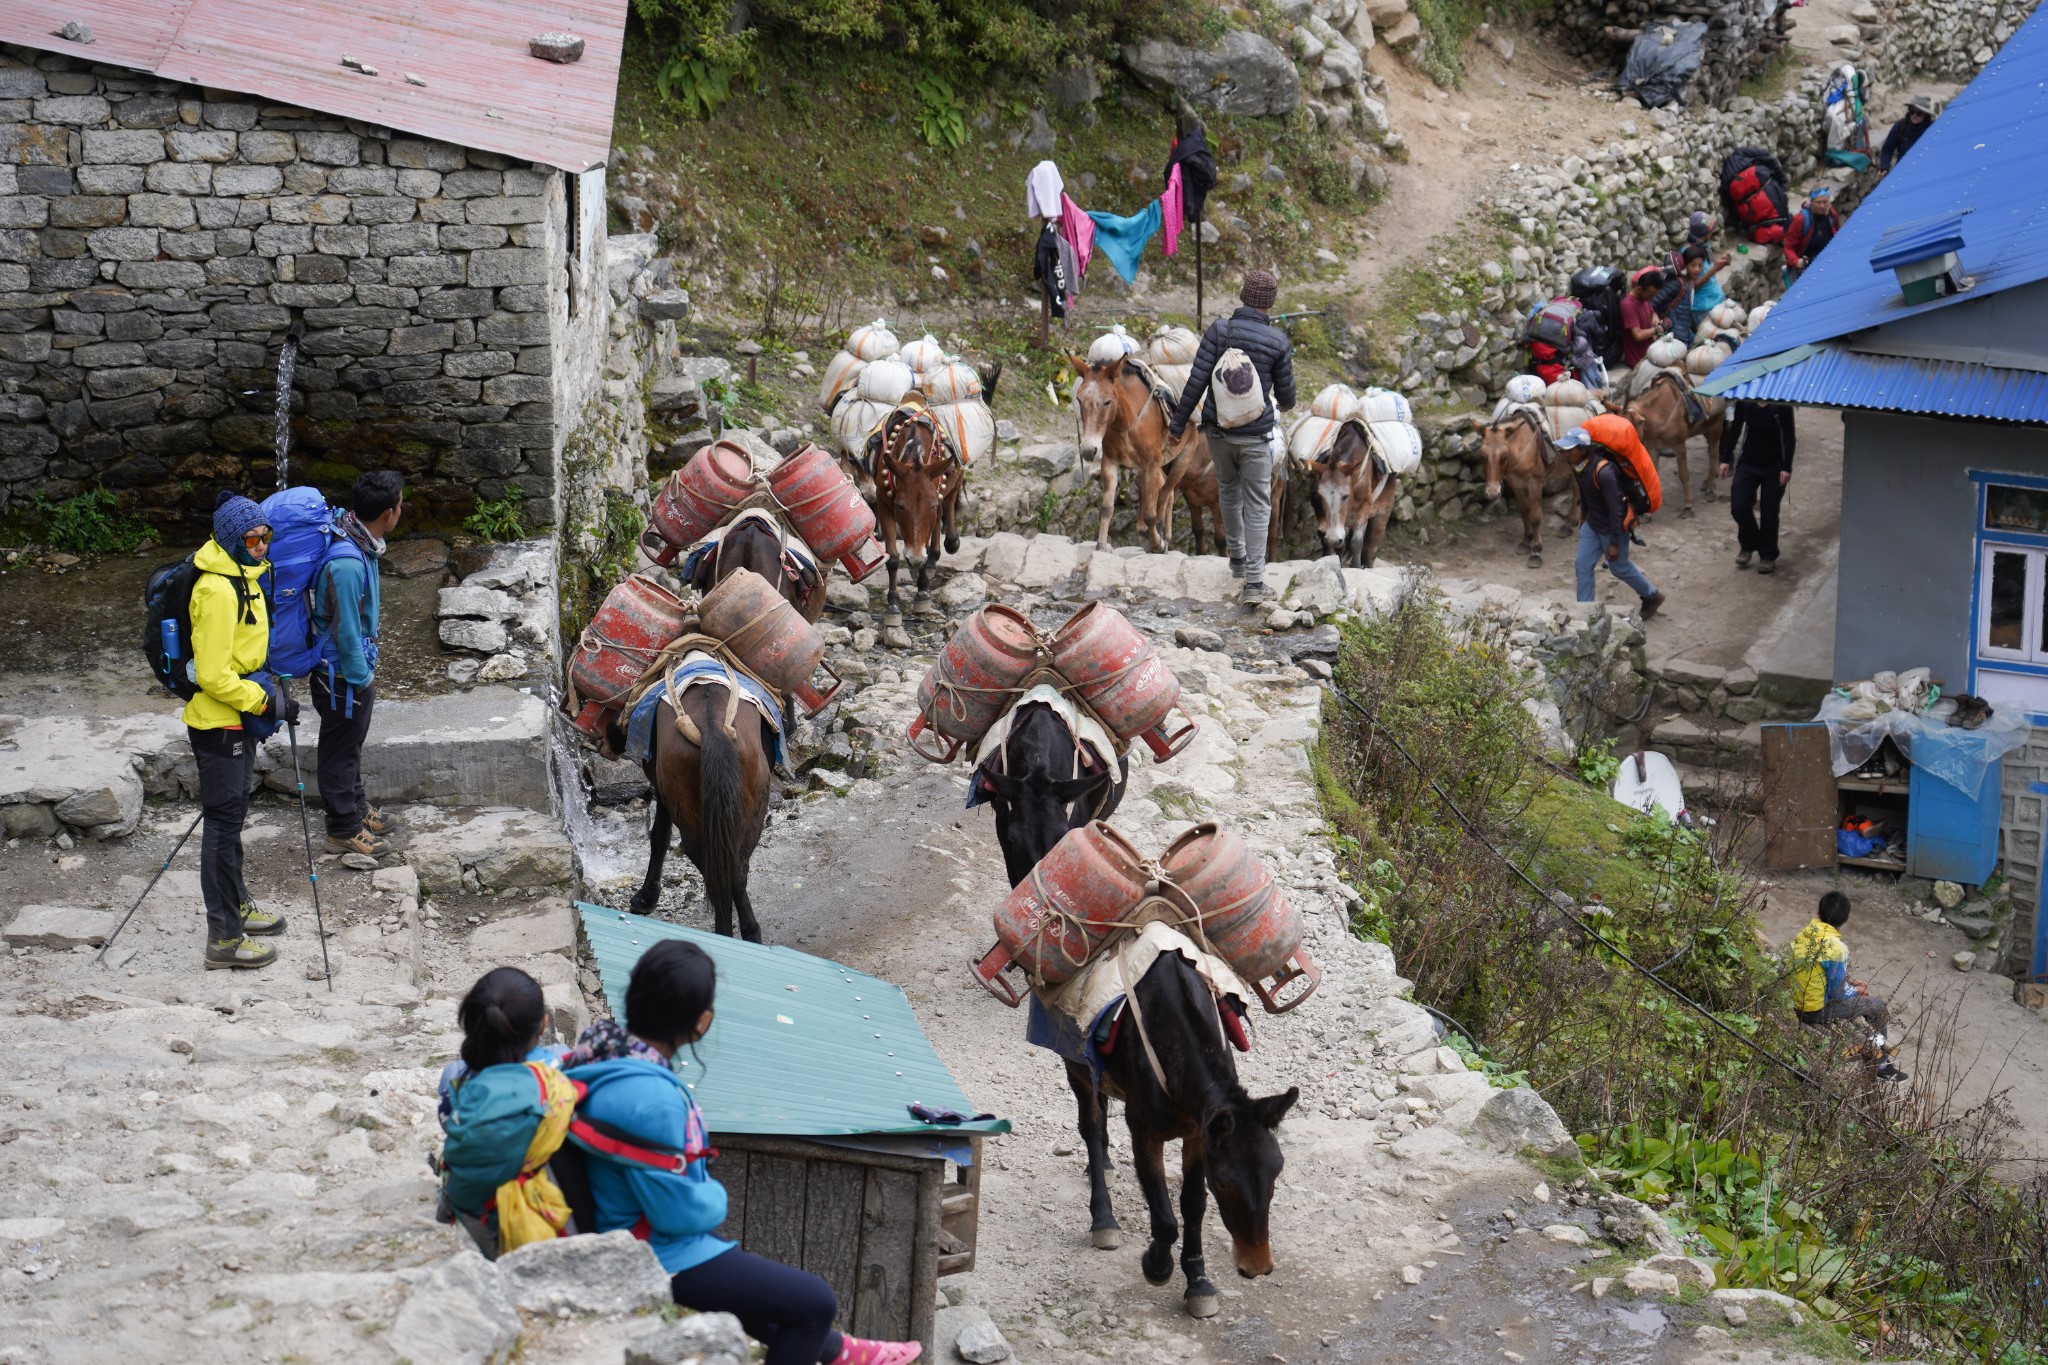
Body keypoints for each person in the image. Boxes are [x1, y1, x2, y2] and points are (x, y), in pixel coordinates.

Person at [569, 939, 923, 1365]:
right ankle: (832, 1345)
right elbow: (676, 1214)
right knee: (815, 1303)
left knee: (767, 1298)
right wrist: (716, 1197)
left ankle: (836, 1350)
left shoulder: (598, 1052)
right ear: (702, 1021)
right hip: (649, 1249)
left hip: (626, 1224)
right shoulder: (651, 1098)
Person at [187, 491, 296, 970]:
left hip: (239, 720)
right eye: (253, 539)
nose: (261, 546)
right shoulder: (215, 591)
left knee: (231, 822)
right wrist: (266, 700)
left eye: (266, 537)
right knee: (222, 827)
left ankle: (240, 906)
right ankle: (224, 940)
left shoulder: (245, 576)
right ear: (233, 539)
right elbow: (211, 674)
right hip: (220, 724)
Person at [1168, 268, 1297, 607]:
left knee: (1228, 491)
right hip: (1256, 436)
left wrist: (1177, 426)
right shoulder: (1278, 342)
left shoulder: (1219, 331)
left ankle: (1237, 559)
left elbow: (1195, 382)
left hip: (1218, 432)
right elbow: (1288, 396)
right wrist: (1281, 398)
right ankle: (1254, 582)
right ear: (1270, 302)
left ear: (1242, 296)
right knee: (1258, 502)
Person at [314, 470, 404, 858]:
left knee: (350, 743)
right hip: (340, 673)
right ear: (388, 513)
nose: (401, 511)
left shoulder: (358, 538)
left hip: (345, 669)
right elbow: (347, 631)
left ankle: (356, 806)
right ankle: (342, 829)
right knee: (339, 747)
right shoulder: (348, 563)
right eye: (400, 505)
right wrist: (361, 677)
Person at [1790, 891, 1906, 1082]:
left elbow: (1816, 972)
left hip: (1796, 1000)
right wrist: (1856, 990)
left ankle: (1878, 1058)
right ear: (1846, 919)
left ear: (1818, 912)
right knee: (1877, 1005)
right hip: (1814, 1011)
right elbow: (1837, 993)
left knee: (1861, 996)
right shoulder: (1837, 948)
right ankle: (1881, 1066)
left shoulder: (1803, 935)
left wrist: (1849, 981)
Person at [1558, 426, 1665, 620]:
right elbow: (1585, 495)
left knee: (1619, 568)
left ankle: (1652, 595)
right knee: (1582, 565)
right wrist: (1584, 520)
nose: (1566, 453)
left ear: (1583, 449)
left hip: (1613, 526)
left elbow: (1616, 509)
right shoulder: (1577, 466)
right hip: (1593, 523)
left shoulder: (1604, 472)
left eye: (1570, 449)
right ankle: (1585, 614)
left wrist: (1615, 542)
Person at [1718, 396, 1796, 572]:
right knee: (1738, 506)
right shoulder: (1746, 402)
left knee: (1769, 512)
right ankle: (1749, 544)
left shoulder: (1781, 406)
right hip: (1748, 463)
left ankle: (1768, 556)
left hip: (1774, 467)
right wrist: (1725, 459)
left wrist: (1786, 467)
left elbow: (1789, 437)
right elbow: (1736, 429)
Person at [1781, 187, 1843, 282]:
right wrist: (1796, 262)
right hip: (1805, 268)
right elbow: (1788, 247)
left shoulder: (1832, 215)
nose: (1822, 206)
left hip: (1827, 263)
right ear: (1812, 202)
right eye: (1818, 202)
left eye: (1825, 202)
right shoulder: (1800, 220)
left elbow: (1839, 236)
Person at [1877, 93, 1937, 175]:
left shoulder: (1932, 129)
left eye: (1919, 113)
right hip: (1901, 170)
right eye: (1912, 111)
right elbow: (1887, 149)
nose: (1914, 115)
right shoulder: (1900, 125)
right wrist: (1884, 167)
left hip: (1923, 171)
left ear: (1925, 116)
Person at [1619, 268, 1666, 370]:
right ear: (1640, 288)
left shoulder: (1644, 299)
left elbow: (1651, 312)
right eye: (1651, 295)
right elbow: (1638, 335)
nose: (1652, 298)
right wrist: (1657, 329)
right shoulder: (1628, 305)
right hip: (1639, 360)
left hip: (1650, 353)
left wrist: (1655, 317)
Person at [1683, 244, 1733, 330]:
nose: (1697, 269)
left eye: (1700, 266)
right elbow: (1693, 286)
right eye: (1693, 265)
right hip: (1702, 308)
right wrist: (1715, 269)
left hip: (1715, 300)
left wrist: (1716, 265)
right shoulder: (1681, 283)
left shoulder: (1704, 247)